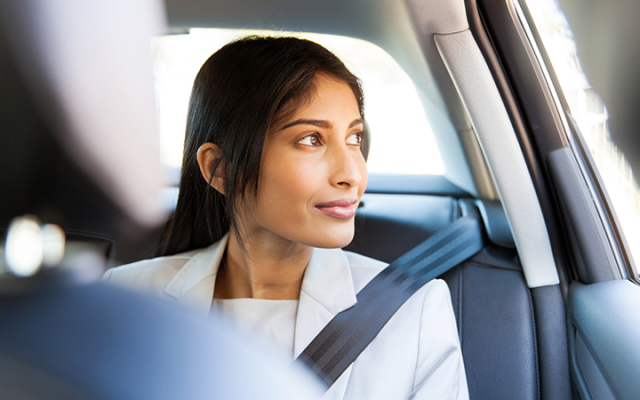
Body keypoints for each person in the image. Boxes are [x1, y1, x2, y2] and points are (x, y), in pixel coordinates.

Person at [103, 35, 469, 400]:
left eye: (354, 138)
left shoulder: (413, 311)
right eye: (311, 139)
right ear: (220, 170)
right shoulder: (124, 299)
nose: (352, 174)